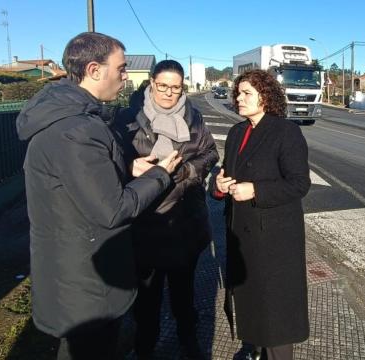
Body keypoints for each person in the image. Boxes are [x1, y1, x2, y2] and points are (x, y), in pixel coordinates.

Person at [16, 32, 181, 360]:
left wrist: (128, 167)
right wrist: (162, 174)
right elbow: (113, 208)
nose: (125, 76)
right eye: (121, 68)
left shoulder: (75, 119)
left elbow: (83, 181)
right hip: (84, 286)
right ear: (94, 70)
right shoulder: (76, 130)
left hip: (77, 276)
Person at [117, 60, 218, 360]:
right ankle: (145, 347)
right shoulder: (128, 119)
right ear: (151, 83)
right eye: (163, 86)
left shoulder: (194, 118)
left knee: (184, 296)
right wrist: (130, 168)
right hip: (143, 224)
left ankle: (188, 341)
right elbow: (109, 163)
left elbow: (210, 153)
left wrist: (186, 171)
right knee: (146, 302)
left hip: (184, 223)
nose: (169, 93)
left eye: (176, 88)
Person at [213, 69, 311, 360]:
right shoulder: (236, 132)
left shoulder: (286, 132)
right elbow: (227, 174)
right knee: (250, 300)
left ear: (266, 97)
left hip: (274, 240)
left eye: (247, 94)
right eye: (238, 93)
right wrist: (219, 185)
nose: (239, 99)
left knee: (274, 309)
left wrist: (256, 190)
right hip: (241, 234)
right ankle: (253, 349)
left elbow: (299, 183)